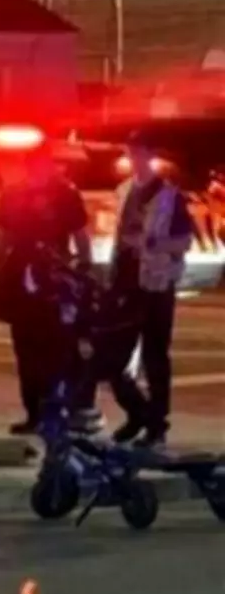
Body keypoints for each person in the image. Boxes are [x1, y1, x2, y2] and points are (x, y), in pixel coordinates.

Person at [0, 144, 94, 435]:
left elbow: (81, 236)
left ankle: (61, 410)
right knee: (27, 349)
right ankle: (36, 413)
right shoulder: (16, 195)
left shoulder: (64, 194)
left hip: (55, 280)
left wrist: (83, 271)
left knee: (59, 349)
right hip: (23, 280)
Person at [104, 132, 194, 447]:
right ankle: (138, 413)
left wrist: (154, 244)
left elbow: (184, 243)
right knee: (112, 357)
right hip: (124, 283)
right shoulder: (124, 190)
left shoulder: (169, 196)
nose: (133, 158)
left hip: (156, 285)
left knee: (155, 356)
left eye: (138, 152)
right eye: (129, 152)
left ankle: (156, 424)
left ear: (149, 154)